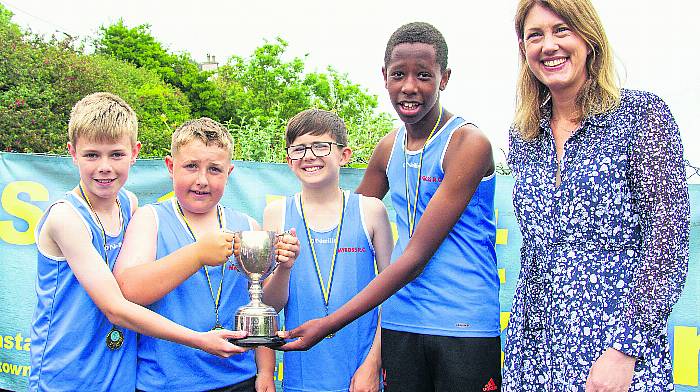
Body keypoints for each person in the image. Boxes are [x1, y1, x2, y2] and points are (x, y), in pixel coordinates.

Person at [280, 22, 502, 392]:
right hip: (401, 322)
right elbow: (347, 215)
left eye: (424, 75)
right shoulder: (388, 147)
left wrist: (328, 323)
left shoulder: (468, 142)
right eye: (399, 74)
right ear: (384, 77)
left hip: (462, 322)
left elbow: (414, 257)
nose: (409, 86)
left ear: (444, 78)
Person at [503, 1, 690, 391]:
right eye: (534, 35)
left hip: (616, 349)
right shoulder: (523, 135)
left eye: (561, 30)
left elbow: (668, 241)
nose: (548, 45)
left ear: (588, 37)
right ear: (524, 50)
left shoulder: (641, 115)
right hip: (534, 351)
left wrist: (625, 349)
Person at [29, 93, 247, 392]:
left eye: (116, 154)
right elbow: (116, 307)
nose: (104, 166)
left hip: (119, 370)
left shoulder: (128, 204)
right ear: (72, 153)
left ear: (134, 153)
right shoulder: (65, 218)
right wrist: (198, 339)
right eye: (92, 154)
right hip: (67, 372)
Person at [113, 117, 299, 391]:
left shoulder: (247, 226)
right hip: (165, 384)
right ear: (170, 167)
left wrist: (283, 268)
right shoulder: (150, 219)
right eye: (191, 166)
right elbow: (129, 291)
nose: (202, 180)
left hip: (239, 379)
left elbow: (267, 304)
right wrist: (198, 254)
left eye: (214, 169)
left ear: (229, 173)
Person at [263, 109, 393, 391]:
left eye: (321, 146)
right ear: (289, 160)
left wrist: (373, 364)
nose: (309, 156)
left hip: (359, 376)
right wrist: (284, 268)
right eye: (299, 149)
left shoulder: (370, 210)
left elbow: (394, 297)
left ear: (343, 155)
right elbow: (269, 306)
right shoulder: (277, 214)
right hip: (300, 378)